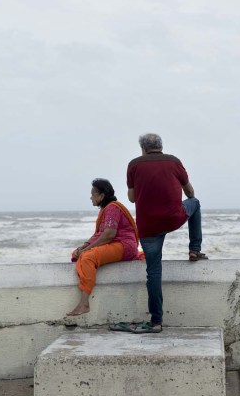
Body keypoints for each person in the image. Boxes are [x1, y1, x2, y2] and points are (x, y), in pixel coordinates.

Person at [126, 133, 207, 333]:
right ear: (160, 146)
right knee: (195, 204)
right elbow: (190, 193)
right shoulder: (174, 161)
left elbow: (132, 198)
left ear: (143, 148)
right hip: (173, 218)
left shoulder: (134, 164)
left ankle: (156, 322)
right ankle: (194, 249)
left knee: (153, 272)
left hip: (148, 226)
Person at [67, 178, 140, 316]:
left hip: (124, 245)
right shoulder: (107, 209)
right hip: (115, 244)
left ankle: (84, 304)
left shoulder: (112, 208)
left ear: (102, 196)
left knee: (88, 257)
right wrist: (83, 246)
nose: (91, 197)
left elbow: (109, 235)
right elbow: (99, 234)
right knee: (77, 253)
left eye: (93, 194)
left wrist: (86, 250)